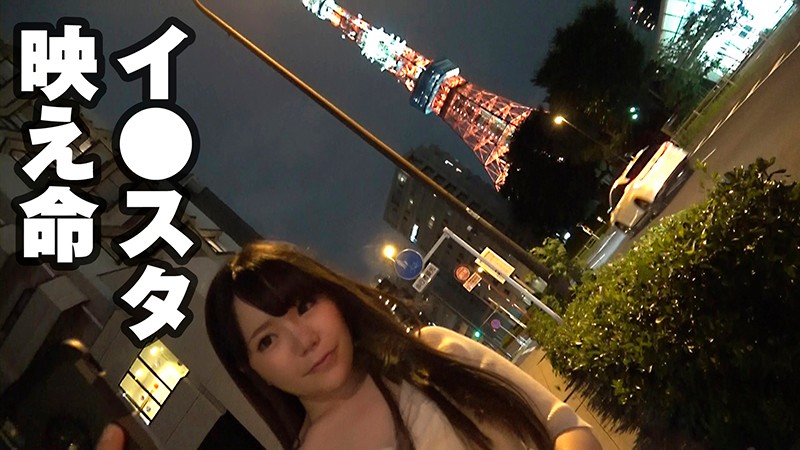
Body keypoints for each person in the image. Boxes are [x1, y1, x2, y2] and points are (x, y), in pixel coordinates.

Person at [99, 241, 601, 450]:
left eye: (304, 305)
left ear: (332, 297)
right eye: (268, 339)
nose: (304, 340)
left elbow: (565, 427)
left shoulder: (432, 356)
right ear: (250, 369)